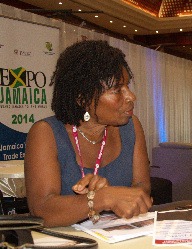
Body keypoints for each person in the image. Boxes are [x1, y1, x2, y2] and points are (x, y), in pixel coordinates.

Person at [25, 40, 152, 227]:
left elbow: (142, 188)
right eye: (117, 90)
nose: (131, 97)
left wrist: (117, 195)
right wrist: (101, 198)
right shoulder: (46, 133)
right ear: (83, 98)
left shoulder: (131, 126)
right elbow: (41, 210)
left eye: (127, 86)